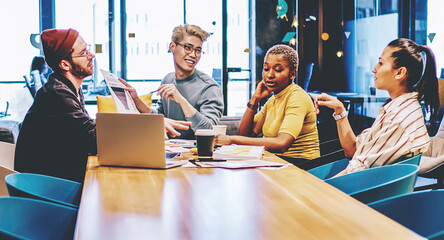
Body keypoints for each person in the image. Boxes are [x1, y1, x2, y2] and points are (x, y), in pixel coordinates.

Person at [15, 28, 191, 182]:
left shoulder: (68, 88)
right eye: (84, 53)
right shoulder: (56, 94)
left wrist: (145, 121)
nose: (91, 55)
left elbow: (86, 131)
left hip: (57, 178)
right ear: (64, 64)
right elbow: (96, 140)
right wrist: (149, 126)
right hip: (48, 188)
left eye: (88, 49)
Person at [314, 38, 439, 176]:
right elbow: (353, 149)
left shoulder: (398, 118)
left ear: (400, 73)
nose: (374, 69)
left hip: (360, 192)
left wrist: (318, 190)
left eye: (380, 63)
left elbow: (357, 172)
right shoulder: (400, 108)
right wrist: (339, 110)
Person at [215, 44, 320, 163]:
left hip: (301, 166)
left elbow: (281, 144)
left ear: (292, 74)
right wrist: (255, 99)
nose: (269, 75)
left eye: (278, 70)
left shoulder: (297, 97)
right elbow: (244, 135)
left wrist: (231, 140)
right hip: (277, 162)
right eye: (266, 68)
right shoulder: (273, 100)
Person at [155, 24, 224, 139]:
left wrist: (182, 100)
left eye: (197, 50)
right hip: (169, 152)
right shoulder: (167, 80)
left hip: (196, 153)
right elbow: (159, 118)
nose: (193, 55)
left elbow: (209, 131)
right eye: (188, 47)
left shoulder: (209, 87)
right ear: (172, 47)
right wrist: (136, 100)